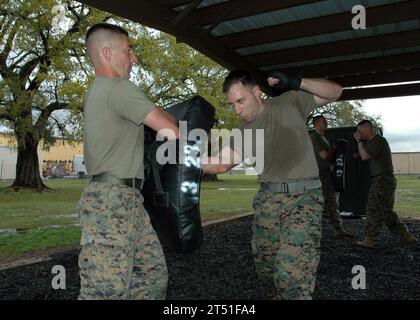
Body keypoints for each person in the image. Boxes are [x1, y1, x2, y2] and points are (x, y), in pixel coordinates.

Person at [202, 70, 342, 300]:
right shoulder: (242, 132)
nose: (237, 109)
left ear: (257, 92)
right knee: (266, 271)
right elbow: (220, 163)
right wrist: (185, 159)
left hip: (304, 197)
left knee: (291, 275)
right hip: (268, 202)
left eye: (241, 100)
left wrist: (298, 82)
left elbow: (336, 91)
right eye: (232, 104)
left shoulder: (290, 101)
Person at [77, 23, 179, 300]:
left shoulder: (101, 91)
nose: (134, 57)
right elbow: (172, 131)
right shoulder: (119, 88)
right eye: (129, 50)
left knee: (152, 275)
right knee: (105, 290)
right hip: (112, 201)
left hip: (125, 198)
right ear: (107, 53)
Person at [353, 120, 417, 248]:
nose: (358, 133)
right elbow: (365, 155)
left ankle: (369, 240)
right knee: (386, 212)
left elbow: (365, 156)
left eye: (360, 131)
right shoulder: (372, 142)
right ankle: (406, 235)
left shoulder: (379, 140)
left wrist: (358, 142)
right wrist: (358, 154)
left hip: (382, 180)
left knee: (372, 209)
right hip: (383, 179)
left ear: (367, 129)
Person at [310, 115, 353, 238]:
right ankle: (313, 231)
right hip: (319, 176)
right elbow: (324, 155)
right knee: (324, 203)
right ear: (316, 124)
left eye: (326, 121)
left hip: (326, 174)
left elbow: (325, 159)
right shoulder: (315, 138)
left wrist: (330, 165)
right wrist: (334, 148)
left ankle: (337, 229)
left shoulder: (324, 138)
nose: (326, 123)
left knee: (331, 203)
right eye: (323, 121)